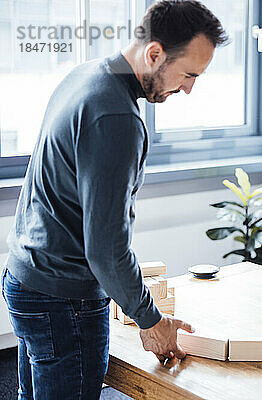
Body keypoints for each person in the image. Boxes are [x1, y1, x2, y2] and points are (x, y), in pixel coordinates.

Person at [1, 1, 228, 398]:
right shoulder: (116, 117)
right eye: (189, 74)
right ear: (155, 53)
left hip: (26, 275)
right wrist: (151, 322)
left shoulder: (87, 74)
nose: (190, 88)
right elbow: (106, 249)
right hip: (62, 299)